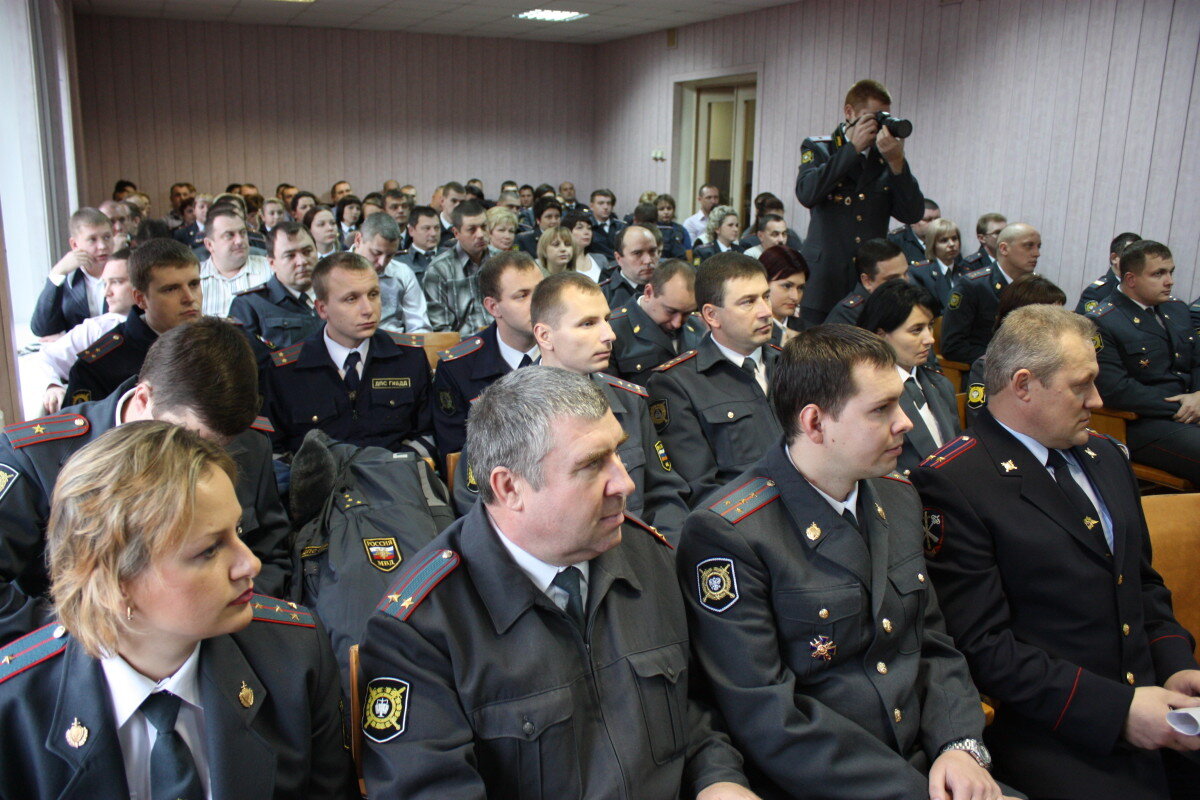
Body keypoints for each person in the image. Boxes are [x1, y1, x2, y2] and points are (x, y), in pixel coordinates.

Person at [359, 367, 758, 799]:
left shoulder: (648, 558)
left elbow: (691, 711)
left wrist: (718, 782)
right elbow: (431, 789)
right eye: (591, 464)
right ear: (510, 487)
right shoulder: (424, 625)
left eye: (618, 453)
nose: (624, 482)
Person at [679, 325, 1011, 800]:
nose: (906, 423)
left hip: (928, 762)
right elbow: (767, 714)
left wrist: (959, 745)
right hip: (822, 783)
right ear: (815, 423)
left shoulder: (896, 497)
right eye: (881, 410)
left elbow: (932, 643)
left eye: (898, 401)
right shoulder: (730, 533)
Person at [913, 304, 1200, 800]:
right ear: (1023, 385)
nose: (1098, 398)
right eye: (1081, 385)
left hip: (1156, 700)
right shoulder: (956, 481)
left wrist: (1177, 666)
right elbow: (982, 647)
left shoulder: (1104, 455)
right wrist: (1119, 711)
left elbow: (1142, 585)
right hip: (1059, 725)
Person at [0, 422, 355, 799]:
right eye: (208, 550)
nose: (250, 564)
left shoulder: (295, 658)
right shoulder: (15, 710)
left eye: (238, 531)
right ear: (114, 583)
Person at [0, 318, 293, 642]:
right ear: (142, 399)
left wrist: (227, 615)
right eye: (188, 437)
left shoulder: (248, 445)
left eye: (217, 447)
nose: (198, 459)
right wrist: (77, 630)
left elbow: (271, 552)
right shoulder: (35, 460)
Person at [528, 272, 691, 541]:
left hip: (636, 554)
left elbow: (665, 493)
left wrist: (666, 557)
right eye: (588, 324)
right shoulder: (507, 411)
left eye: (606, 319)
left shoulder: (629, 401)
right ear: (545, 336)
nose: (609, 334)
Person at [262, 252, 434, 458]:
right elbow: (273, 449)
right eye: (351, 299)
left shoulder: (409, 358)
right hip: (319, 485)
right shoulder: (285, 371)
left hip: (393, 481)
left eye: (373, 294)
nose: (368, 309)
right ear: (322, 309)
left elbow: (428, 432)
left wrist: (390, 469)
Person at [648, 253, 783, 506]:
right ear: (711, 316)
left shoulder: (795, 364)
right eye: (748, 302)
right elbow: (700, 489)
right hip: (746, 527)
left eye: (765, 296)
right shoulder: (678, 384)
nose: (766, 312)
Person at [795, 79, 925, 325]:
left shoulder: (885, 156)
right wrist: (851, 149)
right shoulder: (821, 148)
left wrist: (897, 163)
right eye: (871, 118)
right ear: (849, 113)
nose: (877, 125)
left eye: (883, 117)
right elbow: (807, 193)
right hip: (826, 279)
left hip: (868, 281)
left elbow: (912, 213)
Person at [1086, 240, 1200, 485]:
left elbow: (1197, 361)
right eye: (1158, 274)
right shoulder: (1103, 321)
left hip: (1191, 410)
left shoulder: (1176, 309)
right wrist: (1184, 407)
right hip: (1141, 422)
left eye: (1171, 272)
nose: (1169, 281)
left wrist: (1199, 395)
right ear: (1131, 279)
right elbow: (1116, 389)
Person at [432, 252, 542, 460]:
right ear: (493, 307)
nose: (537, 303)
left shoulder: (567, 348)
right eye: (522, 296)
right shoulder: (458, 367)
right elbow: (456, 452)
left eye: (541, 291)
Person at [65, 239, 203, 405]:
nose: (189, 298)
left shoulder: (218, 342)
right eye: (171, 289)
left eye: (194, 284)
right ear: (140, 299)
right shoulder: (98, 368)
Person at [859, 279, 959, 473]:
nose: (930, 339)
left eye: (930, 326)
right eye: (916, 330)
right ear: (880, 335)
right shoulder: (868, 393)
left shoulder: (939, 383)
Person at [37, 251, 133, 413]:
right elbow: (45, 358)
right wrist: (52, 385)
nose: (106, 292)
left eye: (116, 282)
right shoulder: (97, 328)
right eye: (104, 284)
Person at [964, 274, 1068, 420]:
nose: (1059, 324)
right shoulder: (990, 365)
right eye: (1051, 317)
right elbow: (981, 420)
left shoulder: (1059, 361)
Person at [941, 223, 1041, 365]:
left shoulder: (1035, 287)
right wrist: (1005, 361)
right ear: (1004, 249)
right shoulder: (972, 286)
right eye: (1029, 246)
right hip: (984, 372)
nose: (1037, 253)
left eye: (1038, 246)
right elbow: (953, 346)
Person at [228, 221, 322, 349]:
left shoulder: (335, 293)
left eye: (307, 252)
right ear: (272, 263)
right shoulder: (250, 305)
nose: (302, 261)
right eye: (290, 256)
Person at [609, 259, 699, 385]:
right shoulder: (612, 331)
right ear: (648, 293)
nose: (677, 323)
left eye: (686, 313)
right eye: (670, 311)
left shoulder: (699, 325)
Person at [31, 208, 114, 337]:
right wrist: (57, 273)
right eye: (93, 239)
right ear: (75, 244)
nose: (102, 246)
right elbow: (42, 329)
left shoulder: (124, 274)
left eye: (107, 237)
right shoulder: (67, 280)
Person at [349, 212, 431, 334]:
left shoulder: (402, 273)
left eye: (390, 255)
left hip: (396, 343)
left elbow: (419, 327)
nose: (382, 262)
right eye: (376, 253)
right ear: (358, 240)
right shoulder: (333, 271)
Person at [425, 201, 494, 335]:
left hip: (503, 343)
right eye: (472, 229)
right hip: (463, 348)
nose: (480, 234)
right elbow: (441, 330)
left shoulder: (502, 261)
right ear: (456, 233)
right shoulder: (439, 270)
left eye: (484, 227)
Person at [198, 206, 271, 317]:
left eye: (242, 233)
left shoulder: (271, 269)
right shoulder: (194, 279)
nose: (239, 241)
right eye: (229, 235)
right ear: (209, 244)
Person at [824, 238, 910, 325]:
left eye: (906, 273)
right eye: (893, 278)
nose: (904, 282)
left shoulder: (905, 301)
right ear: (867, 281)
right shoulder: (847, 316)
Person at [909, 217, 967, 315]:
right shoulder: (920, 273)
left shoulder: (966, 272)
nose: (952, 244)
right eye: (944, 240)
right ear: (932, 244)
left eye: (954, 238)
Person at [1076, 231, 1142, 314]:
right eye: (1132, 256)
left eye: (1140, 258)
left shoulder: (1142, 288)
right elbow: (1082, 325)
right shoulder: (1097, 292)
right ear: (1114, 258)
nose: (1138, 262)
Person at [601, 225, 661, 309]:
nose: (648, 260)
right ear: (618, 258)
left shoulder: (669, 286)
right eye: (637, 253)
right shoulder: (602, 296)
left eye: (653, 251)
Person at [760, 245, 808, 347]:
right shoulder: (747, 333)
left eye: (800, 288)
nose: (795, 297)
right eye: (787, 286)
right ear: (763, 283)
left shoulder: (808, 332)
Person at [392, 204, 441, 283]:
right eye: (426, 228)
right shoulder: (399, 262)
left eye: (437, 228)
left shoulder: (451, 256)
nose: (433, 233)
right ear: (411, 230)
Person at [888, 198, 940, 265]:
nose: (934, 224)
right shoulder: (895, 241)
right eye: (927, 220)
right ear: (913, 220)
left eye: (937, 220)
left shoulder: (945, 238)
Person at [564, 209, 607, 281]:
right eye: (579, 228)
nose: (586, 232)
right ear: (567, 231)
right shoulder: (562, 262)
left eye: (589, 228)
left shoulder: (601, 259)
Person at [586, 188, 624, 260]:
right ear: (591, 206)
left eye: (608, 203)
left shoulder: (620, 226)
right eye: (601, 203)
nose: (606, 207)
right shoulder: (587, 227)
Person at [436, 181, 467, 246]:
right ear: (442, 201)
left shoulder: (468, 228)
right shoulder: (432, 227)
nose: (458, 205)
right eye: (454, 201)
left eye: (462, 202)